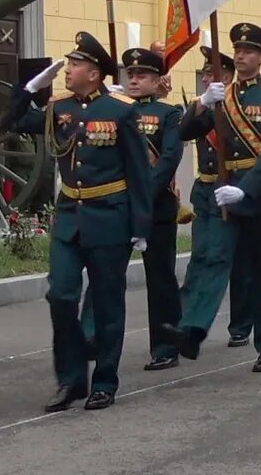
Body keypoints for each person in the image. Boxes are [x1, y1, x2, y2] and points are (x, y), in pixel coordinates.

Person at [1, 31, 152, 412]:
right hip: (70, 218)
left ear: (95, 73)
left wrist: (141, 226)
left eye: (75, 65)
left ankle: (104, 381)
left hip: (110, 218)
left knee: (105, 303)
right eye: (69, 64)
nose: (68, 70)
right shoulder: (59, 107)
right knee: (61, 295)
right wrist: (29, 89)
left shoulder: (121, 110)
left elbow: (138, 172)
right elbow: (13, 121)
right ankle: (70, 379)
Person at [162, 24, 261, 374]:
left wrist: (246, 188)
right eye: (238, 50)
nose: (241, 55)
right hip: (222, 190)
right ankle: (192, 330)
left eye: (249, 51)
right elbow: (185, 133)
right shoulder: (222, 96)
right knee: (213, 258)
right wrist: (203, 104)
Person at [120, 47, 185, 371]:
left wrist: (144, 195)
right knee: (106, 275)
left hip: (156, 205)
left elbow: (170, 157)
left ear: (157, 80)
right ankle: (92, 338)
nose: (133, 80)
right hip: (116, 204)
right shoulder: (112, 110)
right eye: (129, 74)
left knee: (160, 277)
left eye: (141, 75)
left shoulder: (168, 114)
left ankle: (165, 345)